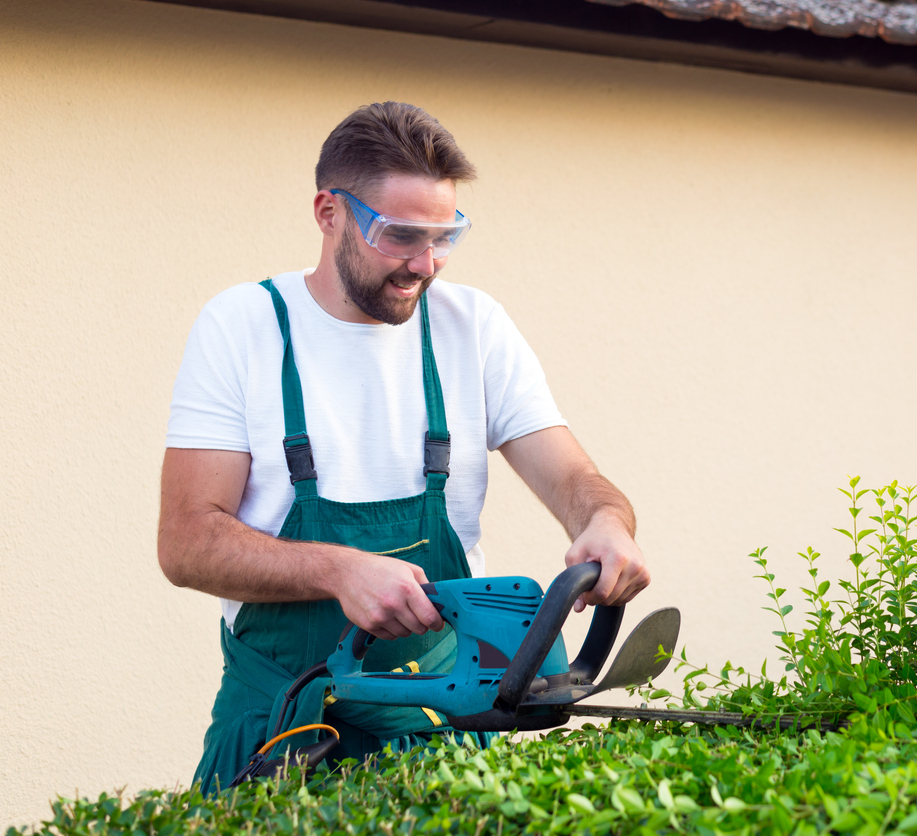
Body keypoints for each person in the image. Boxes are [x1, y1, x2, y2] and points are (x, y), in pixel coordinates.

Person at [157, 101, 650, 791]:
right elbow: (185, 543)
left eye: (446, 236)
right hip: (280, 727)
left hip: (437, 730)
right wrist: (339, 571)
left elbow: (574, 479)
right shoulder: (244, 326)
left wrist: (605, 523)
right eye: (401, 235)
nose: (426, 263)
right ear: (330, 213)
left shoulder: (471, 325)